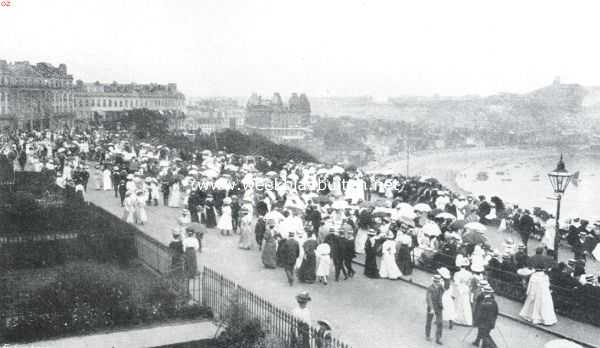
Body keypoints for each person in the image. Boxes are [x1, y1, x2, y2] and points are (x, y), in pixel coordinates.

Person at [426, 274, 445, 345]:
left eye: (438, 281)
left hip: (439, 306)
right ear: (433, 281)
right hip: (432, 307)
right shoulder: (430, 288)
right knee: (429, 321)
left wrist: (442, 285)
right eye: (435, 281)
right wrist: (431, 308)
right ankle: (427, 335)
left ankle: (438, 338)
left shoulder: (440, 286)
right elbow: (428, 299)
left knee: (440, 323)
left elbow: (443, 292)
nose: (436, 283)